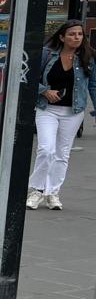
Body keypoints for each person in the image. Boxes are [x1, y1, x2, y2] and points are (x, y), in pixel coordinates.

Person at [27, 21, 96, 210]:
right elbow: (28, 76)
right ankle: (37, 190)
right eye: (72, 34)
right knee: (46, 149)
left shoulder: (87, 58)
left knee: (62, 154)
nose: (76, 38)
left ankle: (52, 193)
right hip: (47, 109)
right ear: (62, 37)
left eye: (80, 34)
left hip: (73, 112)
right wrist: (44, 91)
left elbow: (93, 86)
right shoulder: (46, 54)